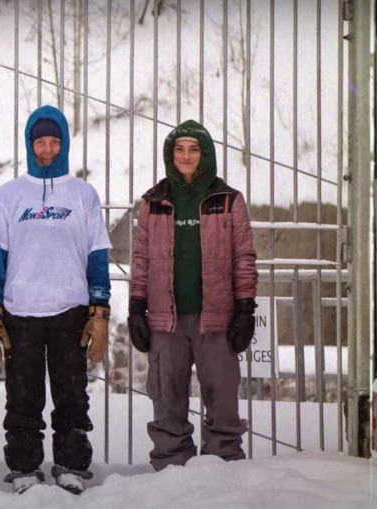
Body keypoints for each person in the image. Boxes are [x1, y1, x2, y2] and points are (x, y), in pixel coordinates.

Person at [0, 105, 111, 495]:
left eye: (55, 141)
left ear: (65, 143)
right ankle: (23, 469)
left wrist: (100, 310)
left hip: (70, 311)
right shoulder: (9, 194)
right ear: (29, 144)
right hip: (20, 312)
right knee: (23, 397)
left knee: (72, 395)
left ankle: (71, 465)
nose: (48, 149)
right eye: (41, 141)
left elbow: (97, 255)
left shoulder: (83, 194)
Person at [128, 119, 257, 472]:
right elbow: (141, 260)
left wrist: (245, 308)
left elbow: (243, 258)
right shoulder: (153, 203)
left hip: (216, 319)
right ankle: (171, 470)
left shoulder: (228, 200)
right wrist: (136, 308)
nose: (186, 155)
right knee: (166, 400)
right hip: (165, 322)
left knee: (222, 401)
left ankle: (225, 469)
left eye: (194, 149)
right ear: (171, 155)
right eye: (179, 149)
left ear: (205, 154)